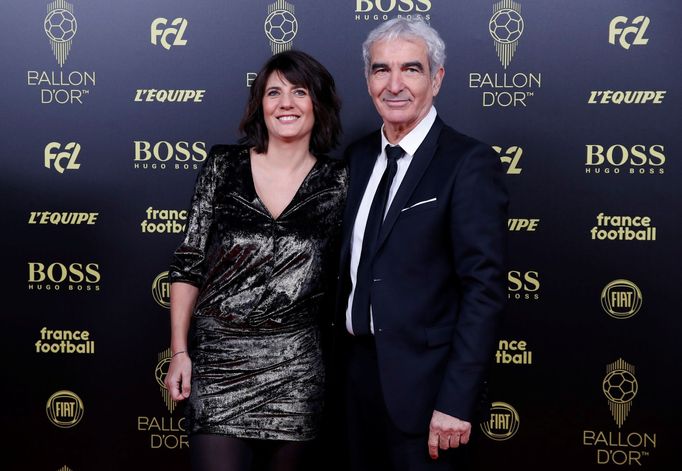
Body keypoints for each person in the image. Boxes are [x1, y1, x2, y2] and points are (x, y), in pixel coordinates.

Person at [336, 18, 508, 470]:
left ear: (437, 78)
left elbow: (483, 291)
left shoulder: (467, 163)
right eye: (380, 70)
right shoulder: (356, 157)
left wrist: (456, 400)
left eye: (410, 69)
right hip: (353, 383)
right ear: (367, 79)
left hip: (428, 392)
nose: (394, 85)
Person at [164, 50, 346, 471]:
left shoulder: (341, 182)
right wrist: (179, 351)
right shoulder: (222, 166)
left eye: (299, 92)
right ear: (259, 105)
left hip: (296, 370)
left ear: (318, 104)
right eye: (274, 92)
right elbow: (188, 260)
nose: (286, 103)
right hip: (220, 365)